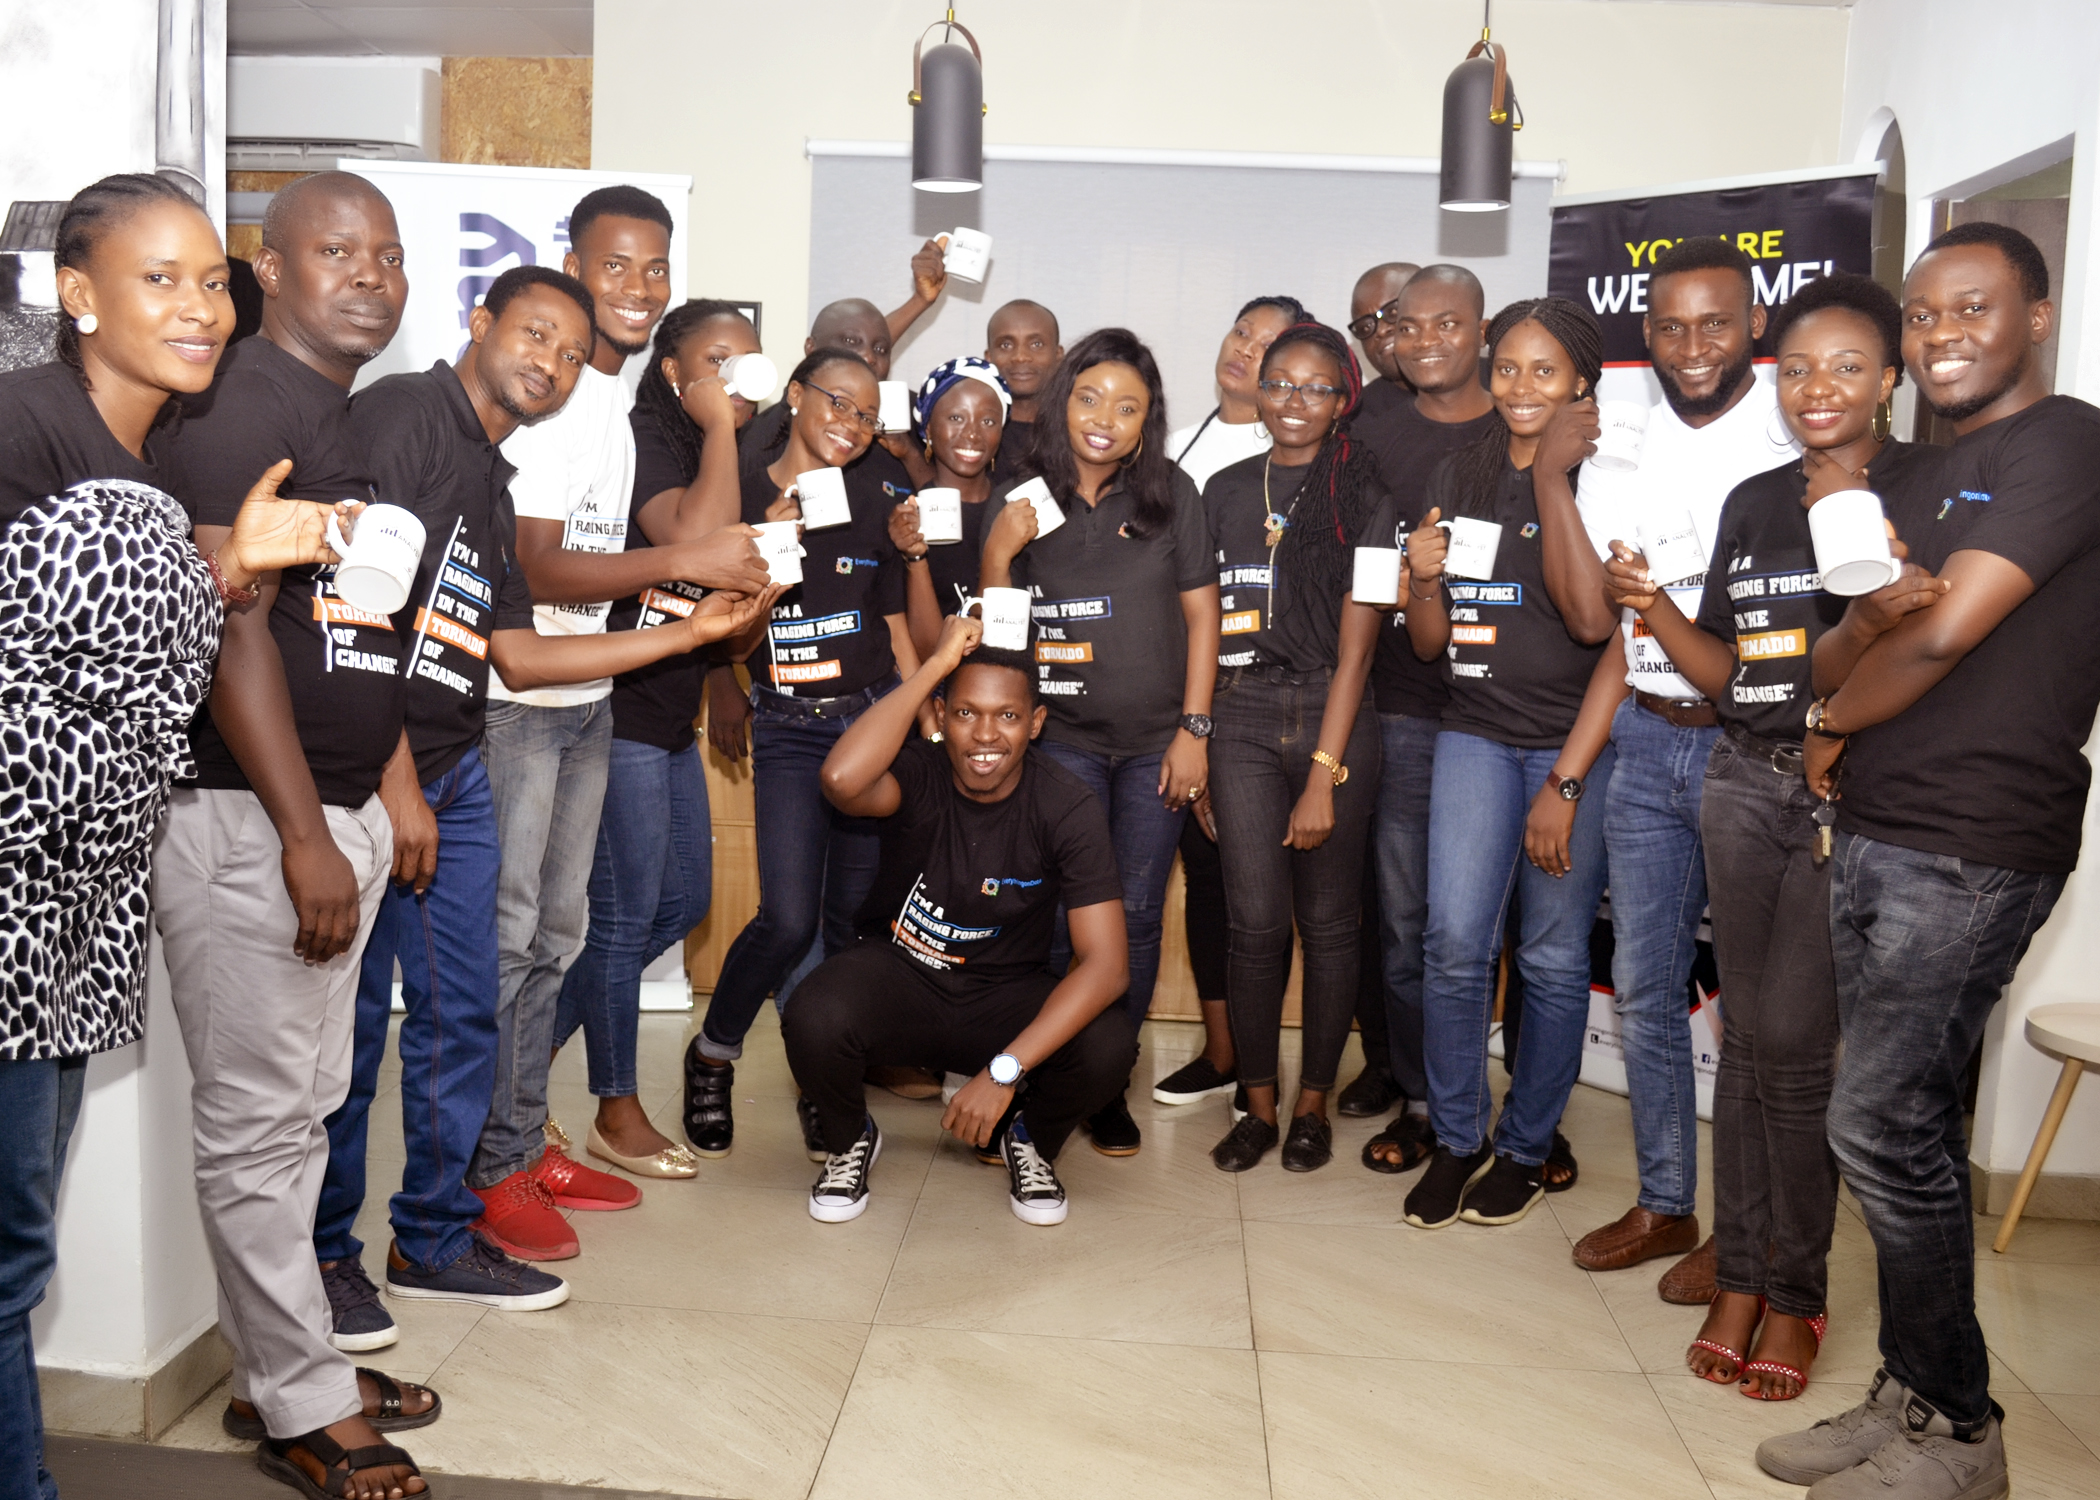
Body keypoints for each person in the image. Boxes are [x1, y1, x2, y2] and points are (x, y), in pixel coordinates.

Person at [0, 173, 380, 1500]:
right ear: (77, 294)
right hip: (13, 897)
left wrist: (227, 566)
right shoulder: (22, 426)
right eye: (157, 279)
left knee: (15, 1251)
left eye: (210, 280)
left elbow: (103, 652)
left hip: (76, 912)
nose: (199, 307)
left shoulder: (143, 456)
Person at [313, 267, 775, 1309]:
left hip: (453, 766)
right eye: (534, 337)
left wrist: (693, 634)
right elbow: (350, 616)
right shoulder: (403, 417)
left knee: (470, 1005)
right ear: (479, 323)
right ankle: (329, 1259)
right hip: (384, 776)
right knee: (355, 1035)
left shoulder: (490, 474)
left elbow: (517, 654)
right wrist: (399, 781)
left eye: (569, 354)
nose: (552, 365)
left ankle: (438, 1231)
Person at [1760, 222, 2100, 1500]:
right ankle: (1909, 1394)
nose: (1943, 332)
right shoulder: (1922, 474)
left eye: (1973, 306)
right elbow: (1842, 640)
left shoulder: (2064, 441)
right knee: (1900, 1125)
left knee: (1878, 1123)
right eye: (1923, 312)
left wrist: (1826, 725)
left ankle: (1959, 1432)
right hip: (1881, 827)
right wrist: (1847, 662)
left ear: (2038, 317)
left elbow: (1947, 629)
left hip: (1973, 841)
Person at [154, 170, 447, 1456]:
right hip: (252, 822)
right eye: (338, 252)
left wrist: (381, 791)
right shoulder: (242, 407)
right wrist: (304, 834)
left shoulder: (339, 417)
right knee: (260, 1127)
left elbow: (353, 635)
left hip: (331, 815)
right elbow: (233, 631)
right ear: (270, 270)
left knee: (303, 1113)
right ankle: (306, 1409)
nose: (371, 276)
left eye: (388, 254)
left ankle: (284, 1370)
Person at [1603, 273, 1935, 1403]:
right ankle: (1741, 1276)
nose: (1817, 388)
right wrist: (1648, 606)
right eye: (1796, 369)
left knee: (1794, 1053)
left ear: (1889, 379)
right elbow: (1732, 675)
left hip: (1850, 794)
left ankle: (1797, 1292)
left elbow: (1925, 650)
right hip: (1742, 781)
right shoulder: (1753, 500)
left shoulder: (1923, 491)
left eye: (1847, 366)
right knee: (1746, 1041)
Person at [468, 189, 768, 1258]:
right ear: (573, 265)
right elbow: (537, 566)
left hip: (585, 699)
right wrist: (682, 566)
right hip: (515, 708)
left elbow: (648, 544)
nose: (638, 288)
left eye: (656, 268)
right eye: (616, 266)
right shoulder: (552, 399)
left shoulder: (604, 395)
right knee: (512, 947)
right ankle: (488, 1168)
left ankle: (519, 1142)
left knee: (559, 939)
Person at [1569, 238, 1800, 1290]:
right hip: (1648, 733)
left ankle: (1747, 1238)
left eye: (1715, 322)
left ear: (1755, 323)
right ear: (1647, 334)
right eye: (1671, 326)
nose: (1693, 345)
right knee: (1648, 988)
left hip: (1751, 749)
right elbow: (1606, 620)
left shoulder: (1793, 434)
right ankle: (1666, 1202)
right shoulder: (1624, 448)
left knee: (1754, 1011)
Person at [783, 615, 1135, 1224]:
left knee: (1110, 1044)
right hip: (902, 976)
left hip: (1005, 993)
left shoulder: (1065, 804)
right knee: (812, 1013)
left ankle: (1029, 1142)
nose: (986, 735)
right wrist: (935, 666)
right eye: (967, 713)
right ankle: (849, 1139)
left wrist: (1003, 1073)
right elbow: (840, 779)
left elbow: (1107, 967)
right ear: (943, 716)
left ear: (1036, 723)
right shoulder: (919, 770)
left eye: (1008, 716)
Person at [1399, 297, 1625, 1231]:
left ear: (1581, 380)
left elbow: (1594, 625)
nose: (1521, 387)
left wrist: (1565, 783)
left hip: (1574, 745)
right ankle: (1458, 1138)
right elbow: (1428, 644)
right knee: (1453, 942)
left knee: (1553, 955)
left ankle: (1526, 1148)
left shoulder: (1610, 473)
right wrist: (1421, 578)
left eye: (1544, 370)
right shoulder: (1459, 469)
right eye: (1507, 368)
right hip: (1474, 731)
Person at [981, 328, 1222, 1156]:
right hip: (1064, 744)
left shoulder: (1171, 493)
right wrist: (998, 554)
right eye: (1090, 399)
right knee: (1061, 917)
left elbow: (1203, 618)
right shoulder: (1022, 497)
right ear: (1062, 402)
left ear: (1147, 421)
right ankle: (1050, 1075)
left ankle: (1106, 1082)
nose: (1104, 420)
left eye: (1127, 408)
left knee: (1138, 916)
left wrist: (1195, 731)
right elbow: (999, 637)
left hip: (1158, 745)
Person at [682, 348, 919, 1159]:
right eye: (837, 402)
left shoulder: (882, 493)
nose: (851, 424)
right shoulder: (743, 494)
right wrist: (765, 553)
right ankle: (713, 1054)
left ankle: (826, 1086)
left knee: (846, 924)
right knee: (786, 919)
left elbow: (892, 625)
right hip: (788, 726)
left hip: (869, 722)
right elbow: (726, 637)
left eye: (867, 415)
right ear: (795, 394)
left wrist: (915, 718)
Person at [553, 299, 768, 1180]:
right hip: (620, 712)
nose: (737, 377)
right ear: (674, 371)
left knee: (680, 905)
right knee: (625, 917)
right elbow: (693, 543)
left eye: (748, 360)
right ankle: (615, 1108)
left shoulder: (715, 445)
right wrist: (718, 423)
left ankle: (520, 1060)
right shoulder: (648, 434)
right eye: (718, 361)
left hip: (671, 714)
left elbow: (718, 598)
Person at [1201, 322, 1385, 1173]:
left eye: (1316, 387)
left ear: (1344, 398)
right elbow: (1200, 626)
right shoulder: (1225, 489)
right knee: (1253, 925)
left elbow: (1358, 651)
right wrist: (1200, 738)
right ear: (1258, 389)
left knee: (1332, 925)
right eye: (1279, 383)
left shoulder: (1365, 495)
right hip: (1239, 713)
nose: (1294, 401)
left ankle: (1313, 1104)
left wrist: (1322, 777)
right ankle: (1259, 1107)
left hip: (1330, 712)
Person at [1350, 265, 1501, 1174]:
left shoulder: (1524, 419)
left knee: (1496, 931)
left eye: (1450, 323)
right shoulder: (1371, 425)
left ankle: (1519, 1113)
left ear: (1481, 330)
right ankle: (1422, 1099)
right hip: (1404, 707)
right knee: (1408, 924)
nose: (1428, 340)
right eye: (1410, 326)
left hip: (1508, 712)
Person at [1326, 259, 1418, 1120]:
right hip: (1373, 689)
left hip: (1483, 697)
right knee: (1374, 904)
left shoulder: (1499, 411)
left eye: (1398, 312)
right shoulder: (1352, 422)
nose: (1387, 332)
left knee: (1462, 920)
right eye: (1368, 323)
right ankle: (1386, 1062)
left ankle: (1462, 1093)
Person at [892, 355, 1010, 657]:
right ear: (928, 428)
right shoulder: (908, 520)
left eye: (988, 421)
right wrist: (915, 557)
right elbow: (930, 654)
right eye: (956, 418)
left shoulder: (1014, 509)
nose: (972, 433)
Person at [1168, 296, 1309, 491]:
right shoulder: (1173, 447)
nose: (1245, 350)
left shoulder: (1288, 455)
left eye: (1268, 345)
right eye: (1241, 333)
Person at [985, 298, 1061, 484]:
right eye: (1006, 345)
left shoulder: (1076, 429)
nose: (1020, 357)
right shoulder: (974, 431)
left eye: (1036, 344)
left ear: (1058, 355)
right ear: (989, 358)